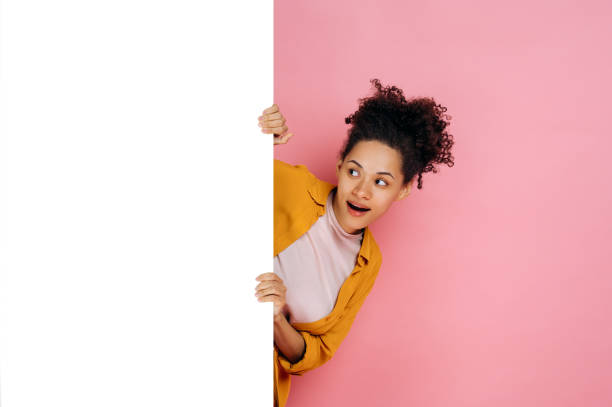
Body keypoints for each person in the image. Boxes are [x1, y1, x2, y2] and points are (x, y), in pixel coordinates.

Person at [254, 79, 455, 407]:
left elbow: (317, 350)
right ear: (339, 165)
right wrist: (255, 138)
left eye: (380, 182)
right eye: (353, 172)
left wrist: (276, 319)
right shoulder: (291, 185)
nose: (362, 191)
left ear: (402, 190)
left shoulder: (367, 262)